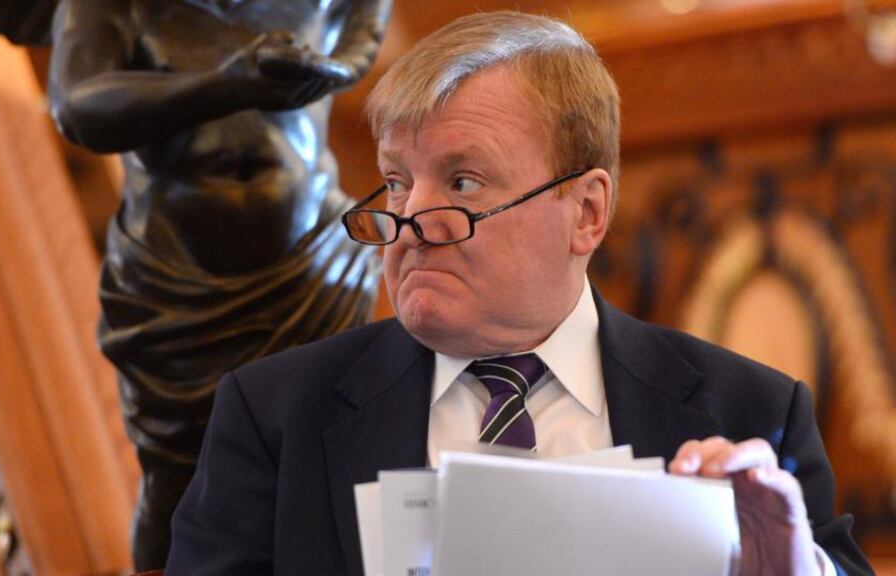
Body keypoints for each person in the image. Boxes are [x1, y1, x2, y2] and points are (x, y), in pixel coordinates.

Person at [166, 11, 873, 576]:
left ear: (587, 213)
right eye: (397, 181)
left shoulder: (749, 411)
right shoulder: (276, 417)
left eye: (463, 182)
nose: (409, 222)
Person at [47, 0, 388, 569]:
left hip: (309, 264)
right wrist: (225, 85)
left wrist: (323, 69)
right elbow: (79, 107)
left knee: (319, 464)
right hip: (179, 276)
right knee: (179, 476)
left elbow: (356, 48)